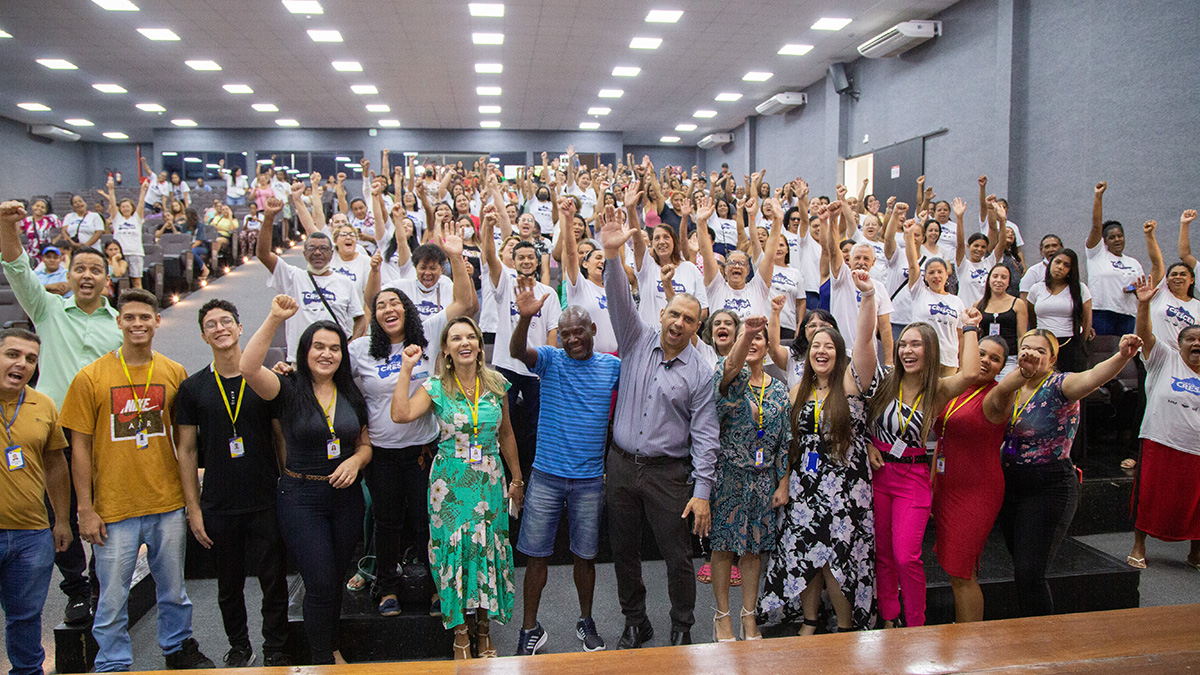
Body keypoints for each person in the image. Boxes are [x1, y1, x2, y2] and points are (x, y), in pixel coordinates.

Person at [60, 288, 215, 671]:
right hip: (115, 508)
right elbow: (78, 449)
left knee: (175, 591)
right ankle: (113, 663)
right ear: (119, 322)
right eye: (129, 318)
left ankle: (177, 648)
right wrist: (85, 507)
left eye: (145, 317)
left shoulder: (172, 372)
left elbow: (185, 442)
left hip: (166, 503)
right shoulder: (90, 378)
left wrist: (190, 500)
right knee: (112, 598)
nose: (137, 324)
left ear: (157, 320)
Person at [598, 203, 718, 648]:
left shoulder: (700, 371)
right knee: (624, 552)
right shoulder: (636, 339)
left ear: (696, 327)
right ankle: (636, 620)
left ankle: (682, 626)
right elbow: (617, 299)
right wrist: (613, 257)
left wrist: (702, 493)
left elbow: (706, 437)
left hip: (669, 474)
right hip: (624, 465)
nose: (678, 323)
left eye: (688, 319)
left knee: (677, 557)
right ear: (663, 313)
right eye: (674, 314)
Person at [1, 201, 121, 625]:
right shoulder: (47, 310)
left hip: (107, 433)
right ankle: (75, 588)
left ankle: (104, 583)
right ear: (68, 276)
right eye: (80, 269)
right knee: (61, 515)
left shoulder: (119, 326)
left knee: (107, 510)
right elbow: (17, 268)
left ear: (107, 280)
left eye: (95, 270)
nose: (87, 275)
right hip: (56, 434)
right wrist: (7, 226)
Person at [240, 295, 372, 665]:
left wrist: (357, 462)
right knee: (320, 581)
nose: (326, 354)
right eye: (318, 347)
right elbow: (248, 367)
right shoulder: (288, 388)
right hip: (301, 496)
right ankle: (323, 657)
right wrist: (274, 318)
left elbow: (365, 444)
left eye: (334, 348)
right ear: (305, 351)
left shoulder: (350, 393)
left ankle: (329, 648)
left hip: (345, 498)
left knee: (333, 581)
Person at [350, 232, 476, 617]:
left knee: (427, 522)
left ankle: (437, 586)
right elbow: (346, 395)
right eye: (380, 305)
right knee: (387, 522)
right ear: (374, 314)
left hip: (424, 451)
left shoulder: (430, 335)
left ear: (407, 309)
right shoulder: (359, 351)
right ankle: (386, 585)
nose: (388, 308)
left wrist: (454, 256)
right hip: (383, 453)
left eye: (395, 303)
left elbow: (466, 302)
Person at [390, 317, 524, 660]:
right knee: (455, 554)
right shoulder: (435, 387)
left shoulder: (496, 384)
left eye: (470, 337)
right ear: (447, 350)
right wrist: (406, 369)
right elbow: (400, 414)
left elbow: (506, 434)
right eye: (455, 338)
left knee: (486, 553)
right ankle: (461, 632)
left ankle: (484, 630)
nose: (464, 342)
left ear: (479, 344)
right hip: (449, 482)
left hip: (489, 479)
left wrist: (517, 479)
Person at [758, 269, 879, 633]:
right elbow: (787, 444)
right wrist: (783, 485)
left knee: (836, 561)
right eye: (815, 346)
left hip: (844, 490)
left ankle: (844, 626)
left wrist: (868, 296)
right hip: (804, 487)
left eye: (829, 345)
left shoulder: (851, 382)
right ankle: (810, 619)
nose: (821, 350)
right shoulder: (797, 391)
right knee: (806, 558)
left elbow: (864, 342)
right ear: (807, 353)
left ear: (839, 352)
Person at [991, 328, 1141, 616]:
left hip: (1049, 487)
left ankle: (1043, 642)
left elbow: (1095, 375)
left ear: (1053, 358)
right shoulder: (1011, 386)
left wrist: (1122, 356)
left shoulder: (1062, 386)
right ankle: (1025, 632)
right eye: (1026, 348)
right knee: (1021, 567)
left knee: (1030, 572)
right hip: (1011, 485)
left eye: (1040, 351)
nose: (1031, 355)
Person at [175, 299, 289, 668]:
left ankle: (274, 645)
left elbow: (279, 439)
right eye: (212, 324)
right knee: (228, 585)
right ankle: (239, 645)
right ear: (204, 335)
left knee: (273, 580)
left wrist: (288, 489)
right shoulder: (193, 389)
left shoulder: (261, 379)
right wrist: (193, 508)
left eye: (227, 321)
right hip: (219, 503)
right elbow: (187, 450)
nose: (220, 328)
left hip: (265, 497)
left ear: (240, 329)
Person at [508, 286, 621, 655]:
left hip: (589, 481)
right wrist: (526, 317)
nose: (572, 339)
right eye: (565, 332)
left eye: (578, 331)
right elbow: (516, 352)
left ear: (592, 328)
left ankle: (585, 621)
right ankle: (529, 629)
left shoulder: (611, 367)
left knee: (585, 557)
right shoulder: (550, 360)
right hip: (546, 477)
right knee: (536, 556)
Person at [865, 309, 984, 628]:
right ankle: (889, 617)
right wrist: (868, 444)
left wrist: (970, 327)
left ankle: (915, 624)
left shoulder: (938, 389)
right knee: (884, 555)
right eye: (903, 344)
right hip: (879, 476)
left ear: (929, 350)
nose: (907, 350)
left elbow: (971, 374)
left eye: (915, 344)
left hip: (913, 478)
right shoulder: (884, 381)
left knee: (906, 556)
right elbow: (857, 417)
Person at [708, 314, 791, 642]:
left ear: (769, 347)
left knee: (754, 551)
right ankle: (722, 617)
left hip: (763, 481)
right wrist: (746, 336)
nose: (753, 342)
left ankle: (749, 617)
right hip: (730, 476)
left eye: (759, 338)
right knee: (724, 547)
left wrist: (782, 482)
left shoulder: (780, 390)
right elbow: (729, 370)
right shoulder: (728, 376)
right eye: (747, 337)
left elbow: (785, 441)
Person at [0, 328, 72, 675]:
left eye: (30, 359)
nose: (22, 364)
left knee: (26, 618)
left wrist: (61, 520)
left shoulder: (42, 404)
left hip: (31, 533)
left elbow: (56, 465)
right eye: (12, 355)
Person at [931, 334, 1011, 622]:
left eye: (995, 358)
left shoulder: (997, 394)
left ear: (1002, 367)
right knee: (956, 571)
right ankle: (965, 630)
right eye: (981, 354)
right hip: (946, 485)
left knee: (961, 570)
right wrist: (931, 485)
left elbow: (1013, 384)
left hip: (977, 491)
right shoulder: (957, 386)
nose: (986, 361)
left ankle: (970, 641)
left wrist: (1023, 373)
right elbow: (942, 439)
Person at [480, 202, 560, 481]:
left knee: (537, 428)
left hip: (535, 372)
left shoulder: (548, 292)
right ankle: (507, 479)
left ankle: (534, 477)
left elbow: (552, 331)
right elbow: (490, 257)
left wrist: (546, 367)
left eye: (531, 257)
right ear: (513, 261)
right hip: (505, 368)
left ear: (538, 262)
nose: (526, 261)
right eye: (521, 257)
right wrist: (488, 227)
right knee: (505, 426)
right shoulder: (504, 282)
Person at [1126, 277, 1200, 569]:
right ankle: (1138, 546)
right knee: (1150, 496)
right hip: (1160, 440)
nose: (1196, 344)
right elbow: (1144, 334)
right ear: (1179, 343)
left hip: (1196, 449)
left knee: (1196, 503)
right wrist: (1143, 305)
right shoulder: (1164, 359)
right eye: (1190, 339)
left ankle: (1196, 552)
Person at [258, 197, 366, 361]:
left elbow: (360, 318)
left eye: (323, 249)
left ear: (331, 254)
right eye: (312, 248)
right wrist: (268, 217)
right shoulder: (292, 277)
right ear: (304, 253)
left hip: (334, 359)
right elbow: (263, 255)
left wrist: (351, 344)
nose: (317, 253)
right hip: (300, 360)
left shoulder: (345, 283)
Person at [698, 195, 782, 319]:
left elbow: (770, 256)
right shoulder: (716, 286)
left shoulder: (758, 287)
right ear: (725, 269)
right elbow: (706, 253)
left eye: (742, 263)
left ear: (748, 270)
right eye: (732, 263)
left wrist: (778, 220)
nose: (737, 266)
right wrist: (701, 222)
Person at [904, 219, 966, 375]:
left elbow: (960, 337)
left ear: (947, 275)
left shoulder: (956, 301)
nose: (936, 276)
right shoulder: (919, 292)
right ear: (925, 277)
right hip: (924, 358)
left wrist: (962, 364)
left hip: (949, 360)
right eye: (931, 272)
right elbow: (912, 264)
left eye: (940, 272)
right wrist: (909, 235)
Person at [1086, 182, 1144, 336]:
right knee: (1102, 354)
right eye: (1112, 237)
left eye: (1120, 236)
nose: (1117, 239)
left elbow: (1137, 288)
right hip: (1102, 312)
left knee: (1124, 355)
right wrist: (1098, 196)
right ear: (1104, 241)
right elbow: (1096, 227)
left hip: (1127, 314)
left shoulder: (1133, 263)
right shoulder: (1097, 254)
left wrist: (1132, 289)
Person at [1025, 249, 1092, 373]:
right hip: (1042, 344)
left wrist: (1082, 342)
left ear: (1071, 270)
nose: (1060, 267)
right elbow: (1031, 317)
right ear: (1051, 263)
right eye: (1057, 262)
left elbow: (1087, 320)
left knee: (1071, 386)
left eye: (1066, 265)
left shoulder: (1080, 288)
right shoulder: (1036, 288)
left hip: (1071, 345)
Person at [1144, 213, 1200, 349]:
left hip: (1184, 360)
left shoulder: (1197, 306)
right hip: (1155, 356)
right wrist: (1150, 236)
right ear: (1166, 280)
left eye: (1182, 274)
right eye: (1173, 274)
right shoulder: (1160, 293)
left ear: (1192, 280)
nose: (1178, 277)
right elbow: (1157, 263)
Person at [977, 264, 1030, 377]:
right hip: (984, 358)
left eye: (1003, 277)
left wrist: (1021, 359)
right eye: (995, 276)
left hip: (1010, 358)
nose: (998, 280)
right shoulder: (979, 305)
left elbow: (1022, 335)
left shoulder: (1018, 304)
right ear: (989, 279)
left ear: (1009, 282)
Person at [98, 176, 149, 289]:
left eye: (128, 206)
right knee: (122, 282)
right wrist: (111, 189)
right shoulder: (117, 219)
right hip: (119, 254)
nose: (125, 208)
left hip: (135, 253)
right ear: (120, 208)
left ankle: (139, 302)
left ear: (132, 208)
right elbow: (112, 202)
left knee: (136, 282)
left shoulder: (137, 218)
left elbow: (141, 204)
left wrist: (143, 190)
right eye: (123, 207)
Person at [18, 198, 59, 263]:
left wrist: (55, 240)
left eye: (42, 207)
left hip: (46, 252)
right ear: (32, 206)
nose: (39, 208)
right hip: (32, 253)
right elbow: (18, 232)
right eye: (37, 206)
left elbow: (62, 231)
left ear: (45, 210)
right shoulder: (26, 220)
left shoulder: (50, 219)